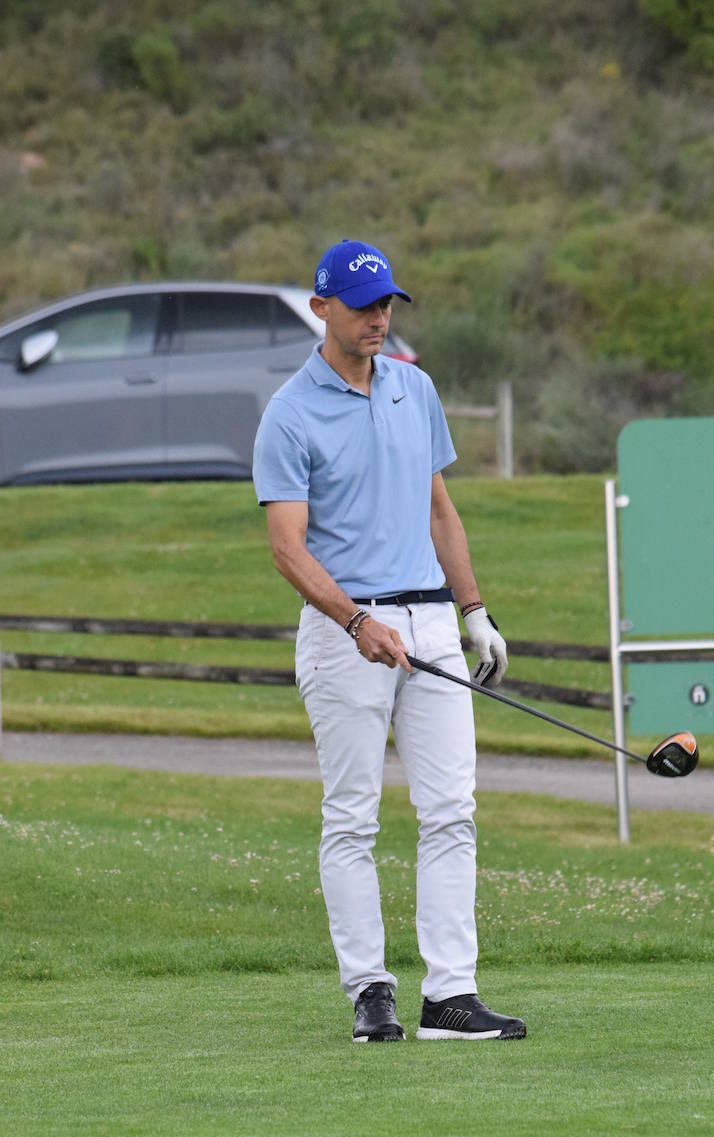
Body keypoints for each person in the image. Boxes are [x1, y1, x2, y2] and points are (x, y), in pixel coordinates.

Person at [252, 238, 526, 1044]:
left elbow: (439, 509)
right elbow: (287, 548)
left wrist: (475, 610)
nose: (378, 319)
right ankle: (371, 991)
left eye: (386, 305)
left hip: (432, 622)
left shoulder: (414, 388)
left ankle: (450, 996)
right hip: (347, 631)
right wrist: (355, 621)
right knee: (353, 818)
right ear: (321, 308)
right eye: (364, 306)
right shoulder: (290, 414)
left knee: (451, 810)